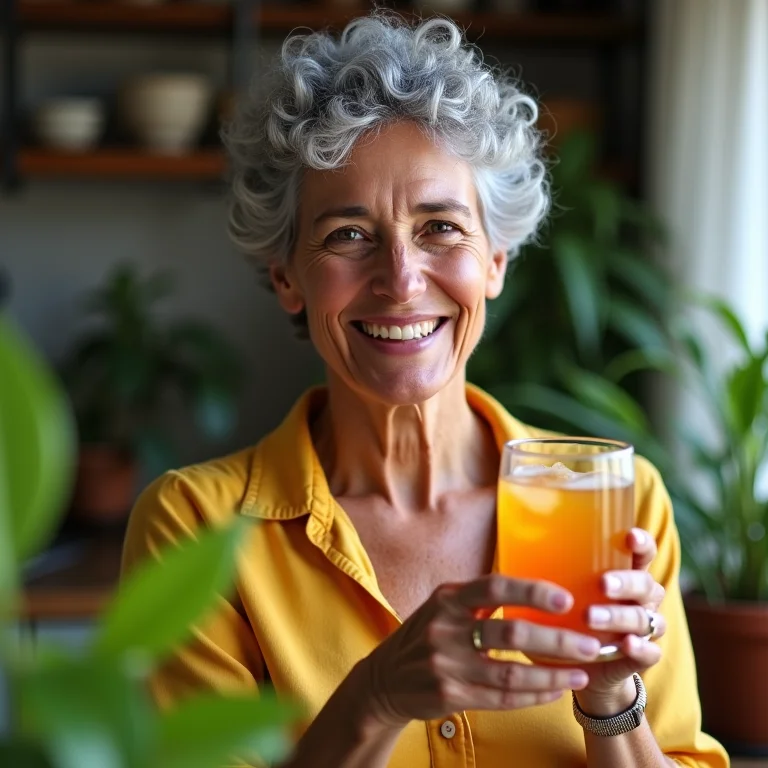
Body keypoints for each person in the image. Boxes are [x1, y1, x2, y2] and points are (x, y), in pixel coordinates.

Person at [122, 12, 729, 768]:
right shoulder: (195, 529)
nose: (402, 281)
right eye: (348, 235)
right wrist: (375, 696)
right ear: (287, 276)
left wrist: (611, 702)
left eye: (440, 227)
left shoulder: (618, 499)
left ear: (496, 261)